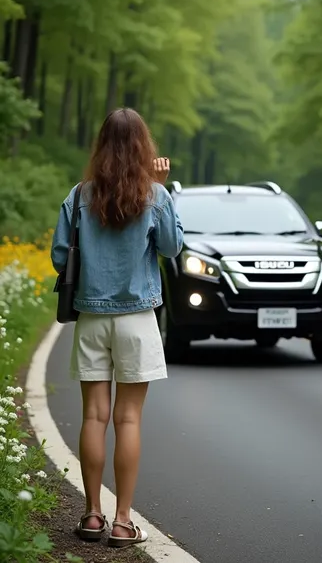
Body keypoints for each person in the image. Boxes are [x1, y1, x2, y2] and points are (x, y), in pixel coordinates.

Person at [51, 108, 183, 549]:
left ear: (102, 145)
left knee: (94, 415)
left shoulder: (79, 196)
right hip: (137, 320)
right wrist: (161, 191)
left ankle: (91, 516)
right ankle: (124, 522)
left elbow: (58, 258)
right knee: (128, 419)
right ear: (145, 148)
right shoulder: (154, 195)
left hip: (91, 318)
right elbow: (171, 247)